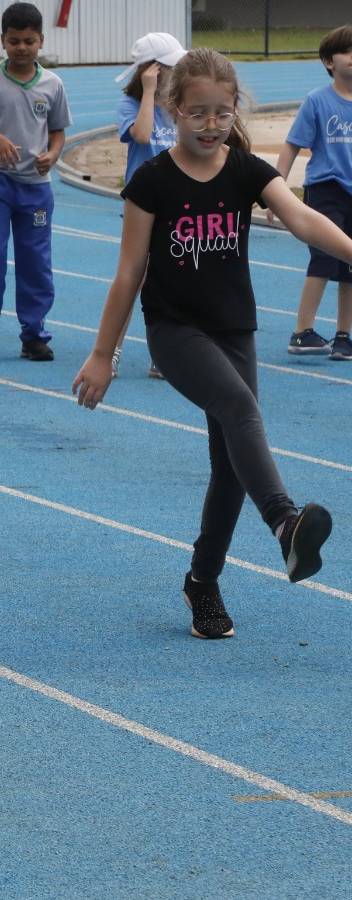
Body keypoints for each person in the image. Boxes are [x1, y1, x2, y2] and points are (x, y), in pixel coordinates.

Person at [72, 50, 352, 639]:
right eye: (197, 112)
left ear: (235, 111)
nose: (210, 124)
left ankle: (202, 583)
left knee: (229, 467)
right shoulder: (151, 181)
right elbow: (129, 272)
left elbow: (301, 219)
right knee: (240, 409)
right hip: (175, 331)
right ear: (173, 109)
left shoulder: (246, 170)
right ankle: (284, 522)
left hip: (234, 328)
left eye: (221, 113)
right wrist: (104, 353)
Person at [0, 2, 70, 363]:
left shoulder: (52, 84)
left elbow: (57, 133)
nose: (22, 47)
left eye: (29, 41)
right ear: (3, 41)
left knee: (35, 260)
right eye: (14, 40)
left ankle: (34, 333)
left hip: (35, 186)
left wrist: (52, 155)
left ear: (41, 41)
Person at [274, 25, 352, 359]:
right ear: (328, 61)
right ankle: (302, 331)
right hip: (325, 189)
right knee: (323, 257)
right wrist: (274, 193)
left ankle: (344, 335)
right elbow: (292, 146)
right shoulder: (317, 101)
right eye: (346, 52)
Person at [113, 31, 186, 379]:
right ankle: (111, 349)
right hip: (143, 205)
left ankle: (164, 355)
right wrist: (149, 93)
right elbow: (142, 135)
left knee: (169, 283)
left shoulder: (178, 108)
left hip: (177, 204)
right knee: (132, 278)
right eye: (170, 68)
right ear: (151, 70)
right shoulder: (131, 105)